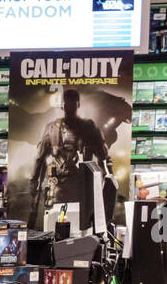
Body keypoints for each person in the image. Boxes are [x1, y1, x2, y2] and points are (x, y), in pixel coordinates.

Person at [29, 89, 111, 223]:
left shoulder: (89, 128)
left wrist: (107, 180)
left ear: (78, 105)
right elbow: (40, 158)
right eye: (67, 104)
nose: (69, 107)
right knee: (56, 224)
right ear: (62, 106)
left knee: (80, 225)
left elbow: (103, 157)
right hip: (58, 187)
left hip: (82, 188)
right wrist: (34, 182)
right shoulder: (52, 128)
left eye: (73, 104)